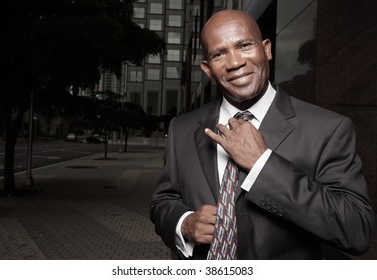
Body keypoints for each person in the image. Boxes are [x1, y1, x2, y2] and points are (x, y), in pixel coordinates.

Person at [150, 10, 375, 260]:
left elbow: (357, 230)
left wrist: (262, 164)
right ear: (207, 69)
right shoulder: (182, 128)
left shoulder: (329, 129)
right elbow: (163, 201)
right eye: (219, 54)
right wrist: (184, 223)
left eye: (244, 45)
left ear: (267, 49)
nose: (235, 62)